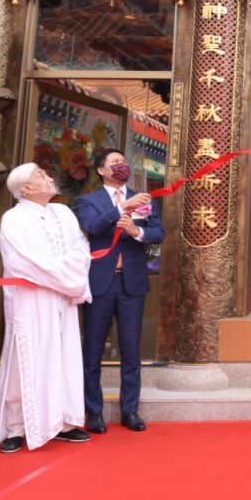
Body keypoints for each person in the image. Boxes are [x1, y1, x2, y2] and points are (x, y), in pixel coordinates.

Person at [0, 164, 94, 453]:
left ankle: (64, 423)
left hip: (62, 297)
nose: (49, 178)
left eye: (47, 174)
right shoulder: (13, 218)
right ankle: (16, 427)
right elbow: (23, 263)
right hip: (30, 299)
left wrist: (67, 276)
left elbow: (81, 250)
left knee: (63, 356)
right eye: (40, 175)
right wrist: (67, 275)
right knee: (26, 358)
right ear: (25, 188)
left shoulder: (64, 213)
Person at [73, 148, 162, 434]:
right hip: (100, 282)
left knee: (131, 351)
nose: (121, 165)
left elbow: (158, 232)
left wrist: (137, 232)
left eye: (124, 162)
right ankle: (94, 411)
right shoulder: (88, 200)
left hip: (131, 283)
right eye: (115, 162)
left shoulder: (143, 199)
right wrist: (123, 208)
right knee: (93, 351)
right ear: (101, 170)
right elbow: (93, 226)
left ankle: (130, 410)